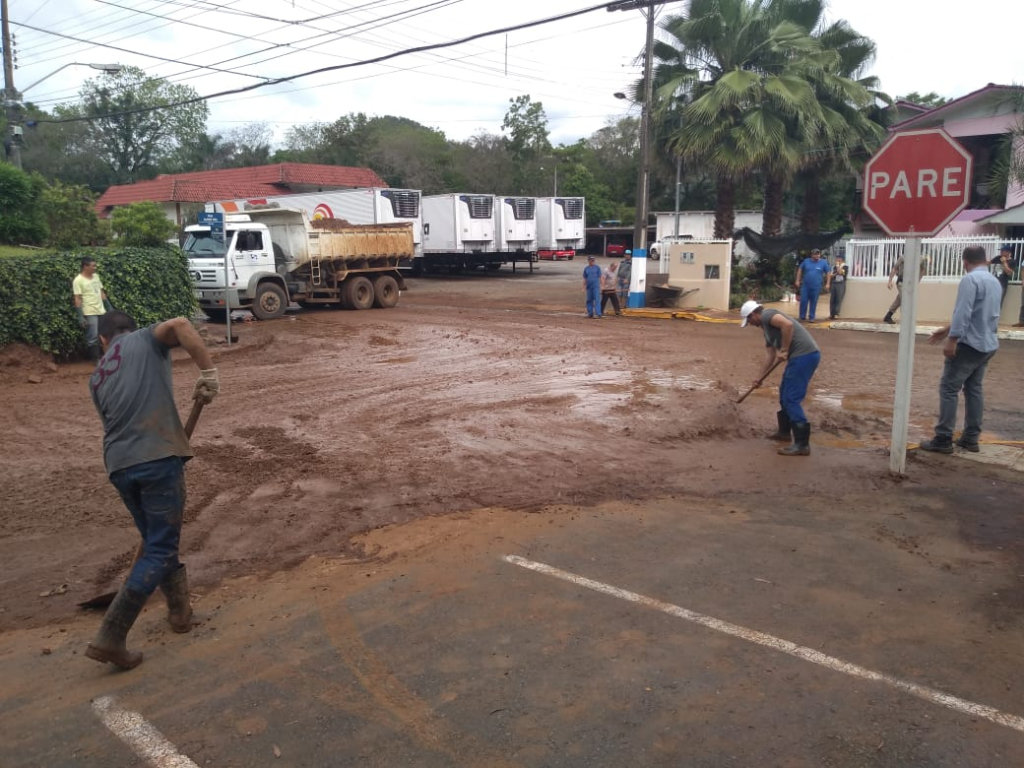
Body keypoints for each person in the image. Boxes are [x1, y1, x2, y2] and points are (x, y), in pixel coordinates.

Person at [85, 311, 220, 670]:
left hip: (120, 466)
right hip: (157, 458)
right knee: (159, 547)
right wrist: (208, 373)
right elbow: (180, 325)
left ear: (102, 340)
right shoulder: (145, 338)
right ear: (127, 331)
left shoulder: (96, 377)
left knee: (155, 540)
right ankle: (111, 635)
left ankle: (180, 614)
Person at [919, 247, 1001, 454]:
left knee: (948, 389)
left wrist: (952, 339)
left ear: (965, 262)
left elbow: (964, 312)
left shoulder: (970, 280)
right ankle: (971, 438)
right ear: (985, 260)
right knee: (974, 389)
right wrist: (946, 331)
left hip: (969, 344)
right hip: (987, 344)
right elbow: (978, 313)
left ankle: (943, 438)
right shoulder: (994, 281)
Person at [739, 300, 821, 456]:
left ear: (754, 314)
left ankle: (802, 445)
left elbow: (787, 325)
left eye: (749, 320)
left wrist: (784, 349)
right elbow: (770, 356)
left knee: (791, 398)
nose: (750, 323)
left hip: (805, 356)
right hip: (799, 357)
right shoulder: (766, 330)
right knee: (784, 393)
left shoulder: (767, 315)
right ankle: (784, 433)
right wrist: (759, 378)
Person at [72, 257, 112, 363]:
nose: (95, 267)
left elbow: (101, 293)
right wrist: (80, 316)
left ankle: (107, 358)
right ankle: (95, 359)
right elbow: (77, 298)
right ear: (85, 266)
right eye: (93, 265)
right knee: (93, 336)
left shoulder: (96, 277)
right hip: (90, 312)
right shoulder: (78, 280)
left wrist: (109, 307)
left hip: (101, 310)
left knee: (104, 334)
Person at [883, 252, 927, 324]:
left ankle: (888, 316)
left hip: (911, 284)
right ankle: (905, 320)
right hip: (901, 282)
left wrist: (918, 280)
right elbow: (895, 268)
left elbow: (923, 270)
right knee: (906, 300)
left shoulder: (921, 259)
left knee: (899, 300)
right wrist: (890, 281)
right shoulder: (903, 257)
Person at [794, 248, 830, 323]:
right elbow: (800, 269)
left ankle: (811, 317)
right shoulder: (806, 261)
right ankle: (802, 316)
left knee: (813, 302)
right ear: (812, 255)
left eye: (818, 254)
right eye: (815, 254)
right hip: (805, 286)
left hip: (816, 286)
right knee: (803, 301)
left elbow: (828, 273)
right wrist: (797, 280)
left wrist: (828, 283)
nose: (817, 255)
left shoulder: (823, 263)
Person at [990, 244, 1018, 308]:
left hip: (1002, 285)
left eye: (1003, 251)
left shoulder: (1012, 261)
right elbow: (988, 262)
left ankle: (996, 317)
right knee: (989, 302)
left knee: (998, 304)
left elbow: (1009, 273)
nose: (1001, 252)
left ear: (1008, 252)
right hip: (992, 284)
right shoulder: (998, 258)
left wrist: (1004, 262)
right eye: (1001, 250)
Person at [828, 253, 848, 320]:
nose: (837, 259)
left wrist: (838, 267)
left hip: (840, 283)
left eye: (839, 258)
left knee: (838, 299)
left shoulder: (845, 266)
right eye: (837, 258)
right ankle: (831, 314)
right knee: (832, 299)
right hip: (834, 283)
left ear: (842, 259)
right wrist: (836, 270)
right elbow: (831, 275)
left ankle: (836, 313)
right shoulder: (833, 267)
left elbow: (840, 273)